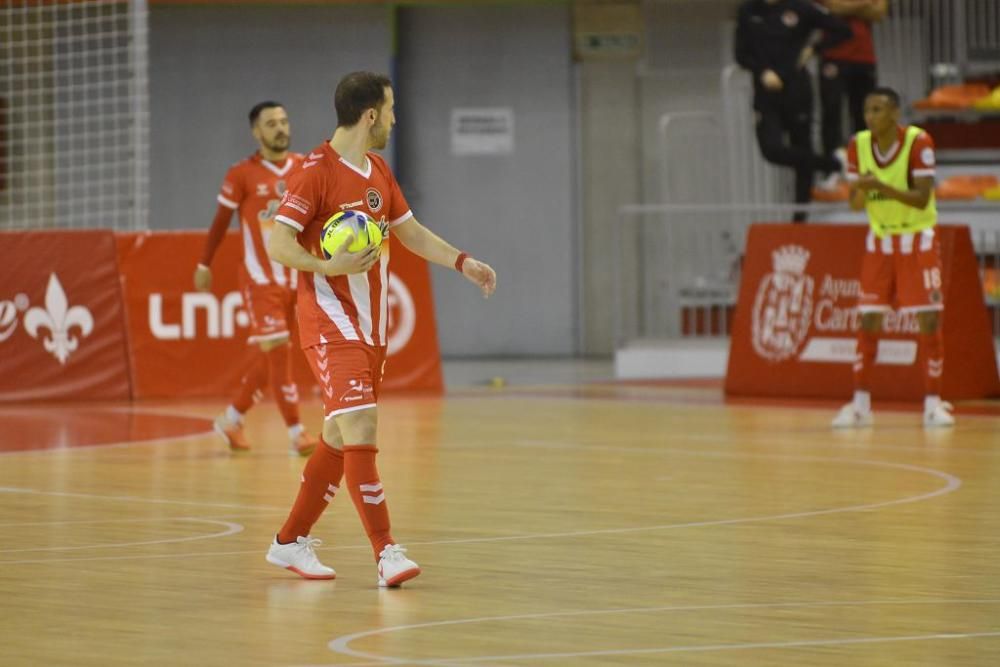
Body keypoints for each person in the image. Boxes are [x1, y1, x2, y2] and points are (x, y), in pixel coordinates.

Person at [264, 72, 497, 586]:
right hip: (330, 323)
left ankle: (288, 543)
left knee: (338, 437)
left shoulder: (377, 171)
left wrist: (463, 262)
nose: (395, 118)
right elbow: (278, 243)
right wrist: (327, 268)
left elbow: (409, 233)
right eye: (390, 109)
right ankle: (386, 551)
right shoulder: (315, 171)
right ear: (370, 114)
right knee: (363, 427)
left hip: (371, 331)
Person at [193, 101, 320, 456]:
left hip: (298, 278)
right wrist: (204, 264)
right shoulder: (241, 174)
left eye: (283, 121)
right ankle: (297, 434)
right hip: (260, 280)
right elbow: (220, 222)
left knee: (271, 360)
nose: (280, 128)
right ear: (256, 132)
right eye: (271, 123)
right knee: (279, 355)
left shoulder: (305, 167)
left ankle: (232, 418)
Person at [832, 87, 954, 428]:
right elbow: (855, 204)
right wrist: (864, 189)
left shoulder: (919, 142)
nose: (870, 117)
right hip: (881, 240)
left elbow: (921, 197)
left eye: (878, 110)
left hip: (918, 239)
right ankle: (860, 406)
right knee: (868, 322)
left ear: (896, 113)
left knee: (928, 322)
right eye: (867, 110)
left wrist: (880, 187)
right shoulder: (857, 145)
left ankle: (933, 403)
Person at [734, 0, 852, 220]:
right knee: (771, 149)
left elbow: (843, 30)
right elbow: (741, 53)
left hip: (797, 91)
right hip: (765, 93)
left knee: (802, 147)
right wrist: (762, 72)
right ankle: (833, 163)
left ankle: (800, 220)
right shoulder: (748, 11)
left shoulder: (800, 8)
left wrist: (813, 49)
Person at [817, 0, 888, 161]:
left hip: (864, 57)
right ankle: (832, 167)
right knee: (831, 111)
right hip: (833, 55)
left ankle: (865, 164)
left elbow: (879, 13)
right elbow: (832, 8)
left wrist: (846, 7)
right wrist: (865, 4)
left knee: (865, 114)